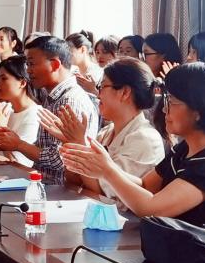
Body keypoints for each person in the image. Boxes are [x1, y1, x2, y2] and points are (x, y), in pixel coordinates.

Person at [61, 63, 205, 225]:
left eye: (172, 101)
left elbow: (151, 208)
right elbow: (145, 184)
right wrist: (104, 170)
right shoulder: (186, 149)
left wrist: (108, 171)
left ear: (200, 110)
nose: (164, 109)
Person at [43, 58, 164, 200]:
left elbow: (104, 194)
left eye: (102, 86)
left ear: (124, 92)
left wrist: (79, 143)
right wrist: (70, 142)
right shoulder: (106, 132)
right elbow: (74, 180)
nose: (98, 94)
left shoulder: (145, 139)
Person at [0, 35, 98, 185]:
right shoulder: (52, 96)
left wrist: (19, 145)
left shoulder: (70, 101)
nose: (28, 71)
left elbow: (61, 159)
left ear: (55, 65)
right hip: (43, 184)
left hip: (60, 190)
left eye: (31, 64)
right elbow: (44, 147)